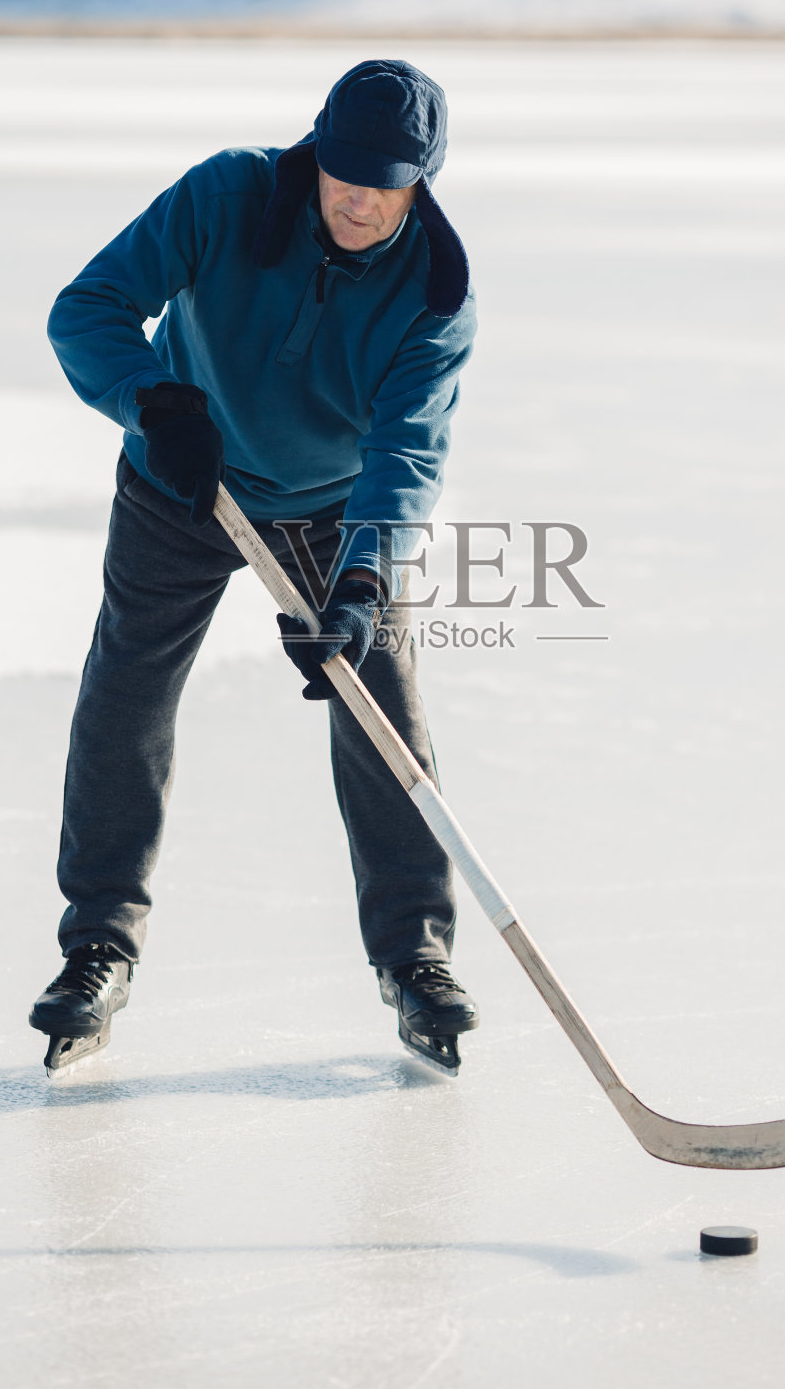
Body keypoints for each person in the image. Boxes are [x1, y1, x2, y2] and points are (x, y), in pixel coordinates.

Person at [28, 59, 479, 1074]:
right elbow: (87, 308)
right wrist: (154, 402)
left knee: (379, 709)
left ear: (424, 179)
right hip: (182, 483)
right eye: (345, 170)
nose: (360, 198)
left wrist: (361, 584)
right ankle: (97, 943)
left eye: (389, 180)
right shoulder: (228, 194)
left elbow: (406, 454)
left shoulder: (437, 292)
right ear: (316, 150)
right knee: (128, 690)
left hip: (329, 513)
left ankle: (414, 956)